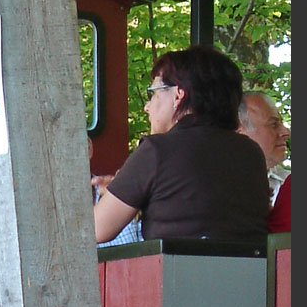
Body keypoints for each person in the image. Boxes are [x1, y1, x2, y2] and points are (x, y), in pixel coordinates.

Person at [93, 45, 271, 247]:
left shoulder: (157, 150)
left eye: (155, 93)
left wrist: (118, 196)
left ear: (178, 95)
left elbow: (96, 229)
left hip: (176, 275)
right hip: (250, 275)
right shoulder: (252, 153)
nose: (147, 106)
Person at [237, 90, 290, 203]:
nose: (286, 132)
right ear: (241, 135)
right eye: (273, 125)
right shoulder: (217, 187)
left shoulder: (287, 181)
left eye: (282, 123)